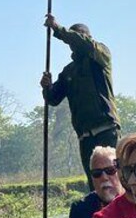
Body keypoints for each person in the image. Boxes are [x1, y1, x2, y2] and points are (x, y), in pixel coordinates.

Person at [40, 14, 120, 188]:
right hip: (84, 136)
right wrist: (46, 87)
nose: (75, 42)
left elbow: (84, 44)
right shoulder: (69, 71)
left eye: (79, 37)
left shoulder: (100, 56)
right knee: (96, 183)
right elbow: (53, 99)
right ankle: (100, 215)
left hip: (106, 128)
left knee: (113, 180)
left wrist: (58, 29)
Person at [66, 146, 125, 218]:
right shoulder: (80, 208)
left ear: (121, 171)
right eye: (97, 174)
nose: (104, 177)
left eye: (110, 171)